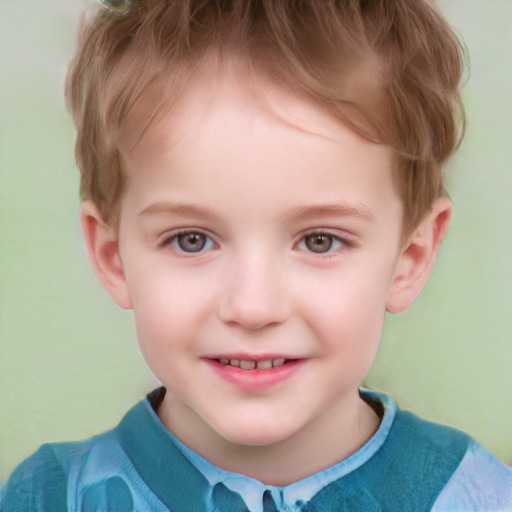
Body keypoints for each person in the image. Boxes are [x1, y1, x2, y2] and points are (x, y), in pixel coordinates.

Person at [2, 0, 511, 510]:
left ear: (410, 257)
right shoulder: (48, 497)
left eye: (320, 240)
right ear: (114, 257)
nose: (253, 307)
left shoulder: (480, 497)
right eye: (191, 240)